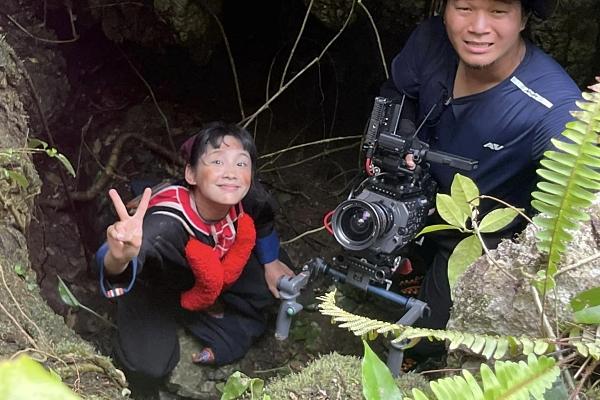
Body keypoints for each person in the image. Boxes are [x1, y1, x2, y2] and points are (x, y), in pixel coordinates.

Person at [380, 0, 581, 363]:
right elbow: (398, 91)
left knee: (426, 336)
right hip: (413, 193)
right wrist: (402, 135)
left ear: (524, 18)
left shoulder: (552, 107)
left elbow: (581, 194)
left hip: (476, 236)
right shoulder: (431, 41)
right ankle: (409, 271)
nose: (478, 26)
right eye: (464, 7)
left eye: (498, 12)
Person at [94, 121, 294, 394]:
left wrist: (270, 262)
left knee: (275, 288)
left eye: (241, 163)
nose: (231, 173)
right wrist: (118, 257)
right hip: (156, 281)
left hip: (216, 263)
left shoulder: (249, 196)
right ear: (191, 173)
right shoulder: (163, 226)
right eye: (217, 161)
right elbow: (120, 257)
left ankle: (217, 331)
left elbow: (263, 222)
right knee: (149, 366)